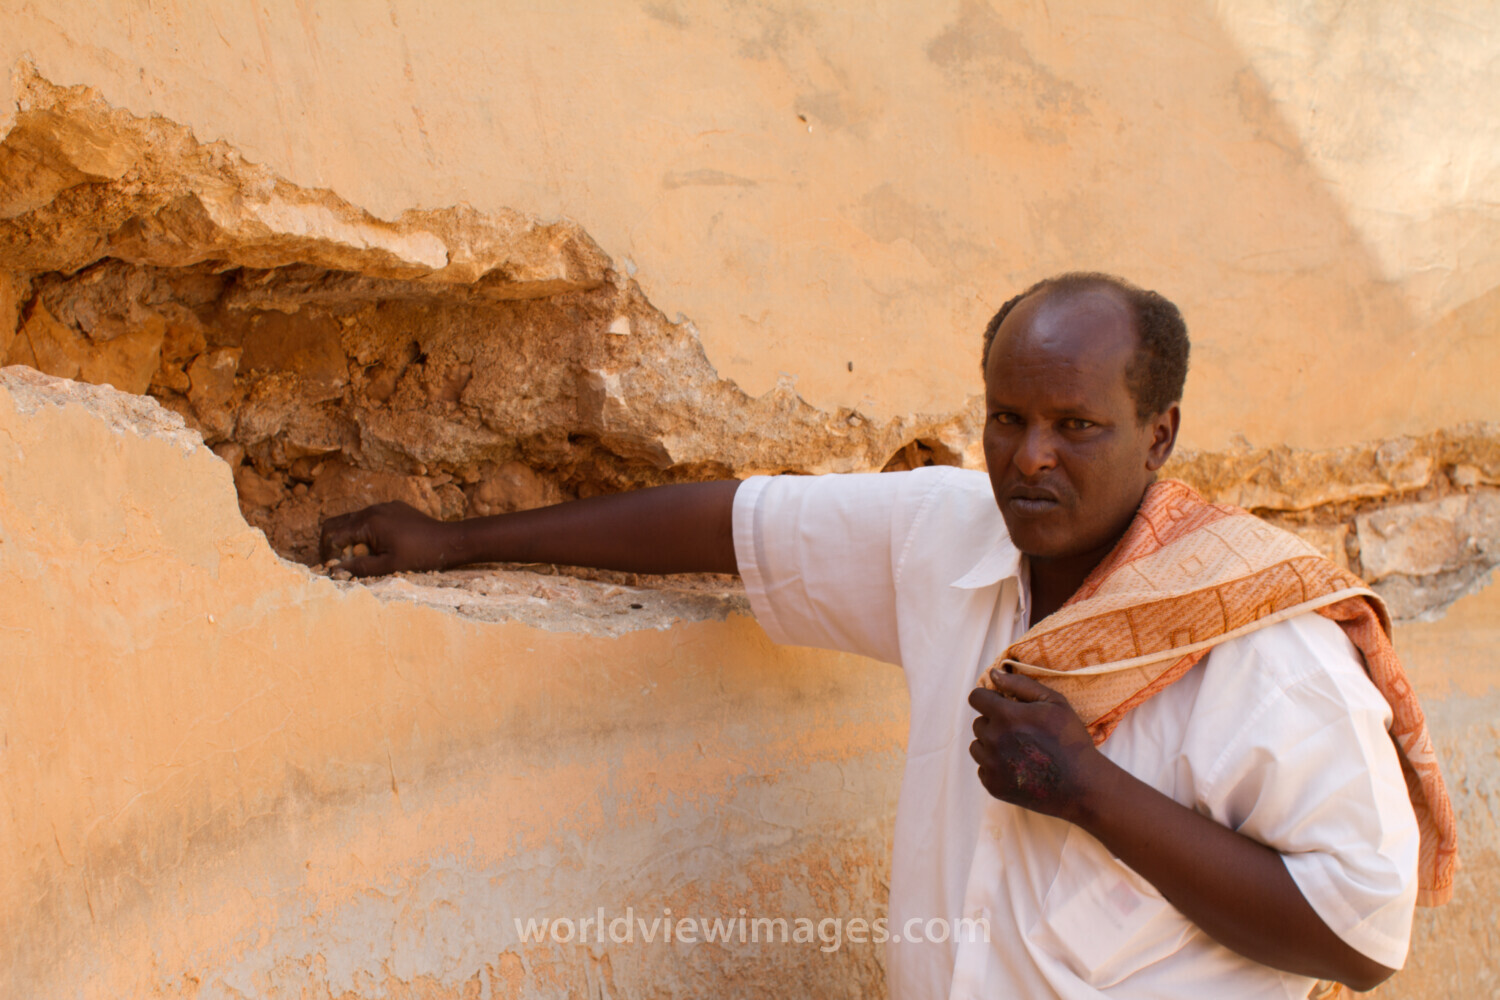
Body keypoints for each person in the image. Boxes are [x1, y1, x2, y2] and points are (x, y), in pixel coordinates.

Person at [320, 273, 1453, 999]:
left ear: (1160, 436)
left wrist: (1087, 789)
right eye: (1007, 417)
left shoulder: (1263, 648)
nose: (1030, 457)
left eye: (1077, 425)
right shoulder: (948, 534)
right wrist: (455, 541)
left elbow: (1360, 936)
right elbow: (732, 520)